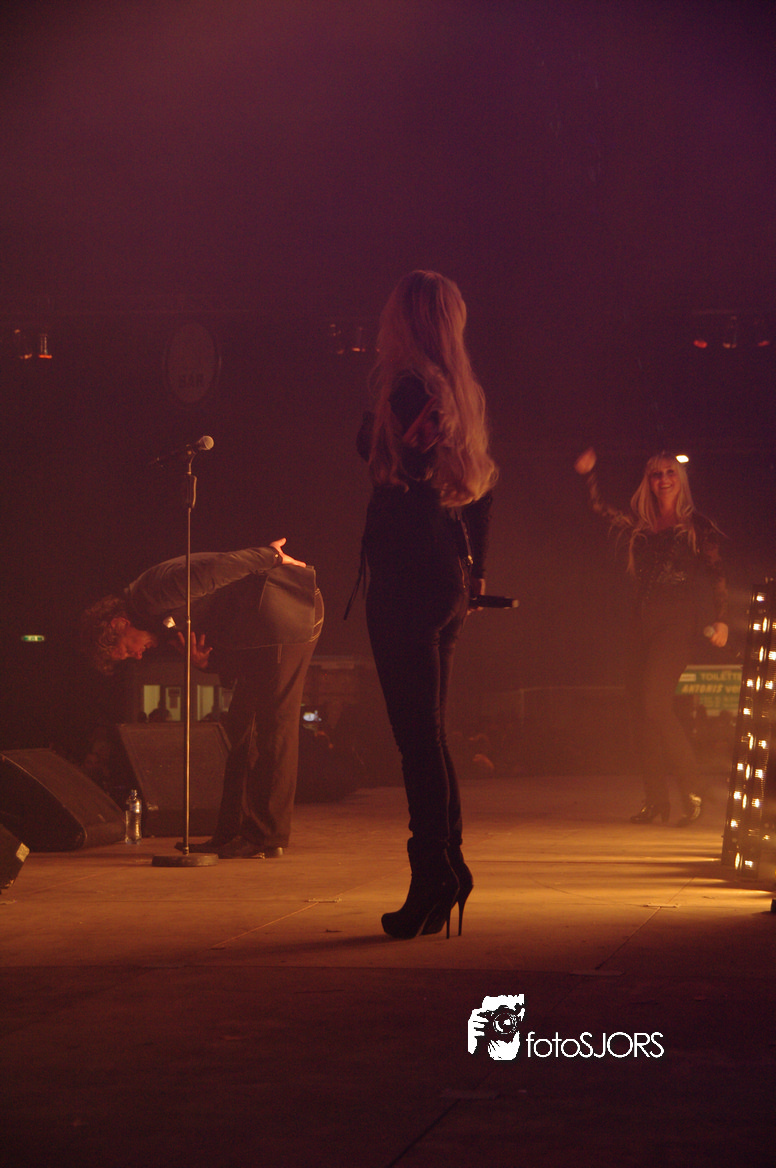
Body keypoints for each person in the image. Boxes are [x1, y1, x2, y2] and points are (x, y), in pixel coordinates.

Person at [354, 270, 497, 938]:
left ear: (403, 319)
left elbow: (408, 475)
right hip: (445, 574)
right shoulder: (459, 393)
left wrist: (405, 457)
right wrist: (476, 574)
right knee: (430, 733)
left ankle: (433, 874)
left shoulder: (408, 387)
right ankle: (449, 866)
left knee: (417, 738)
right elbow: (483, 491)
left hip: (409, 574)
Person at [79, 540, 323, 858]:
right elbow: (221, 632)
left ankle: (267, 835)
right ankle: (231, 832)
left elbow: (216, 570)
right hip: (260, 625)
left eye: (126, 649)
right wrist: (206, 663)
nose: (137, 656)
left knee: (275, 724)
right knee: (240, 730)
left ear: (119, 624)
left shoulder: (153, 593)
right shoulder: (159, 621)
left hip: (285, 608)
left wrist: (270, 555)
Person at [574, 448, 729, 826]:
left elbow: (717, 575)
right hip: (641, 623)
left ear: (680, 478)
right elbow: (598, 508)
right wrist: (589, 475)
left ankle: (693, 788)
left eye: (670, 472)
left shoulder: (697, 525)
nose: (664, 479)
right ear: (649, 481)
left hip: (677, 623)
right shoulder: (640, 525)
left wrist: (722, 620)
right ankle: (656, 800)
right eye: (656, 474)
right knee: (640, 711)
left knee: (656, 703)